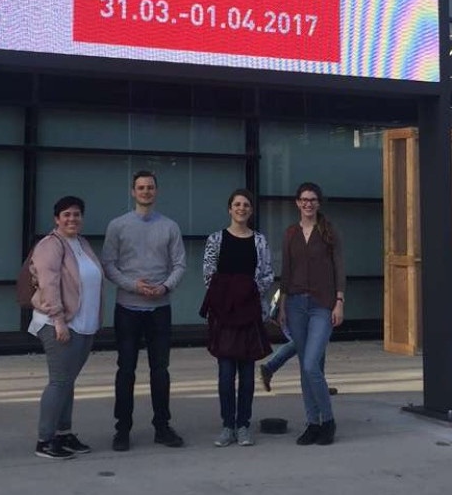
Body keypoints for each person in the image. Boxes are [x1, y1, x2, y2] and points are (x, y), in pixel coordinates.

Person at [102, 170, 186, 451]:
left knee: (160, 370)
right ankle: (122, 429)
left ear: (156, 191)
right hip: (127, 308)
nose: (146, 192)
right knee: (125, 370)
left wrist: (165, 287)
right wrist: (133, 286)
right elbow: (109, 265)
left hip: (160, 309)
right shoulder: (118, 226)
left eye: (150, 187)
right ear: (132, 192)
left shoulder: (170, 226)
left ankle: (162, 426)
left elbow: (179, 265)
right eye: (141, 187)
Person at [29, 195, 104, 459]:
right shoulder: (51, 245)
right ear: (57, 219)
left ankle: (63, 433)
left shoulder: (81, 243)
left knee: (68, 382)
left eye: (76, 214)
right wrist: (59, 320)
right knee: (59, 382)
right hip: (58, 324)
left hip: (83, 325)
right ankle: (45, 440)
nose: (72, 219)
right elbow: (48, 285)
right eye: (66, 215)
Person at [201, 189, 273, 447]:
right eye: (237, 204)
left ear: (251, 210)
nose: (241, 208)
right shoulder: (216, 239)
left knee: (247, 373)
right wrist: (231, 293)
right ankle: (227, 425)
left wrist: (247, 291)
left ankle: (243, 424)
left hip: (250, 313)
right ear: (229, 209)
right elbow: (208, 274)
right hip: (223, 315)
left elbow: (267, 274)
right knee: (225, 373)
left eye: (246, 205)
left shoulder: (260, 241)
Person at [279, 182, 345, 446]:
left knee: (310, 365)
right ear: (297, 203)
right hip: (295, 305)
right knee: (307, 370)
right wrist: (282, 304)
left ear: (318, 203)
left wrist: (339, 301)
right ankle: (312, 423)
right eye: (304, 199)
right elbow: (286, 270)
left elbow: (339, 268)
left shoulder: (328, 231)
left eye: (313, 199)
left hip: (322, 305)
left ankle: (327, 421)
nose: (308, 203)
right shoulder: (290, 233)